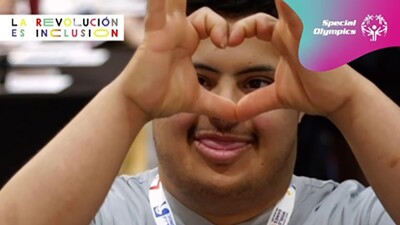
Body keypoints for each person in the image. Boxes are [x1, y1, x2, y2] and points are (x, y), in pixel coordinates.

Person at [0, 0, 399, 224]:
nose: (225, 111)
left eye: (257, 84)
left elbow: (386, 19)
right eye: (200, 81)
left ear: (301, 109)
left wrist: (347, 97)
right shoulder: (95, 213)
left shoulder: (352, 216)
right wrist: (128, 101)